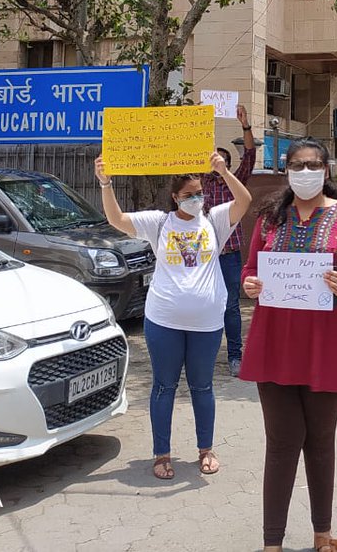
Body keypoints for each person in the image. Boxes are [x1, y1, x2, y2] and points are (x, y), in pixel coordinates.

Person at [239, 137, 337, 552]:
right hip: (275, 343)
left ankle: (322, 533)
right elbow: (251, 268)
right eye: (297, 165)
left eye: (312, 165)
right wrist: (250, 284)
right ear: (286, 170)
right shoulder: (269, 218)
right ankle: (272, 543)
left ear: (326, 171)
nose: (305, 173)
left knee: (320, 442)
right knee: (282, 443)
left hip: (328, 345)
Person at [95, 151, 250, 480]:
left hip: (207, 322)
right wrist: (105, 183)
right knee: (164, 387)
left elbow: (245, 200)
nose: (196, 199)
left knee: (202, 387)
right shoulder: (159, 222)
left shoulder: (215, 220)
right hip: (163, 321)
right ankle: (161, 454)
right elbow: (117, 220)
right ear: (174, 198)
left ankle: (206, 449)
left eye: (199, 193)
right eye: (188, 195)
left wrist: (223, 171)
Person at [201, 102, 256, 377]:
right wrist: (196, 124)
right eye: (214, 159)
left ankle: (235, 356)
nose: (217, 162)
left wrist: (245, 124)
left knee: (231, 306)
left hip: (230, 255)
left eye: (222, 160)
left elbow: (250, 153)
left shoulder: (237, 180)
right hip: (202, 256)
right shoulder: (200, 183)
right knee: (204, 305)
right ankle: (204, 356)